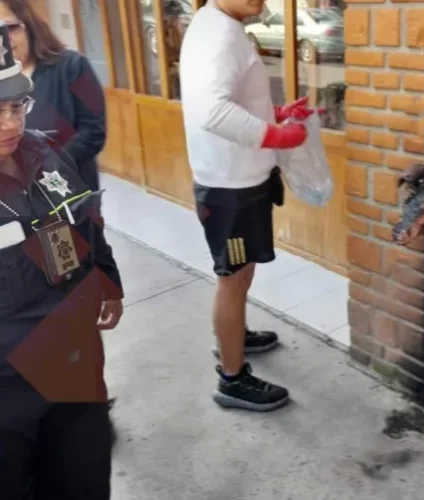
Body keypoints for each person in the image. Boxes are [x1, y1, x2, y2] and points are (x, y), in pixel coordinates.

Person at [0, 22, 124, 500]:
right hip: (8, 394)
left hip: (74, 371)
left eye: (16, 106)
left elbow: (83, 220)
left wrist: (106, 276)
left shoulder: (44, 155)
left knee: (86, 484)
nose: (10, 123)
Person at [180, 0, 320, 412]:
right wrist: (275, 136)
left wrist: (274, 115)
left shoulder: (217, 24)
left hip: (237, 182)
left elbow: (229, 100)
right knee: (234, 276)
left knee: (241, 274)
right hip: (231, 190)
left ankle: (233, 336)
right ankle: (232, 377)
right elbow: (213, 111)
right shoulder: (220, 33)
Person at [0, 0, 106, 193]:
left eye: (10, 28)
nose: (4, 40)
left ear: (29, 25)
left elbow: (93, 131)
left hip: (69, 192)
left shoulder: (73, 66)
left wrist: (48, 167)